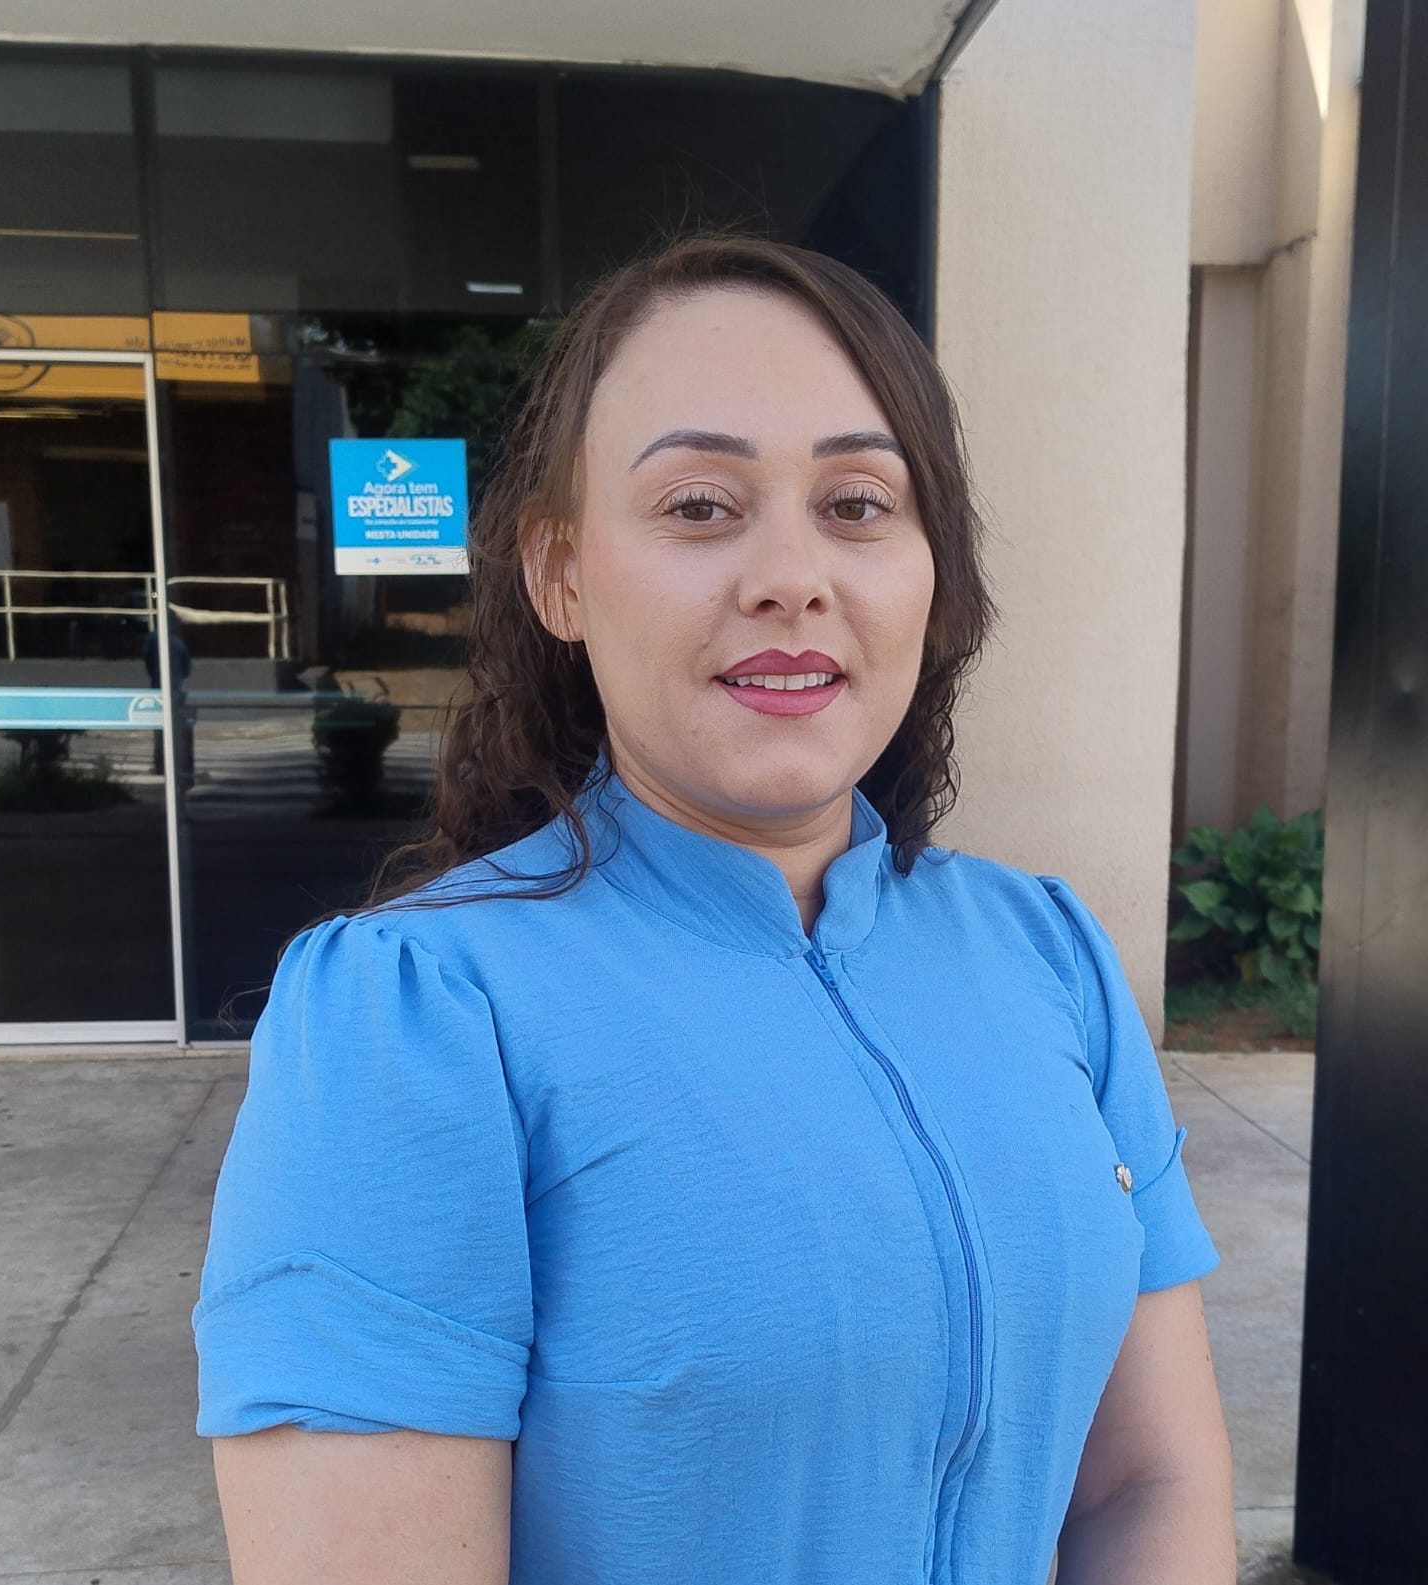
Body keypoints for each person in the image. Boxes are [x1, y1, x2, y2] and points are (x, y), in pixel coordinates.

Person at [193, 235, 1235, 1585]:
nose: (792, 575)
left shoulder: (1044, 953)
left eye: (857, 502)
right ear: (560, 573)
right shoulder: (421, 1017)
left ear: (933, 572)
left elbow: (1148, 1483)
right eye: (699, 505)